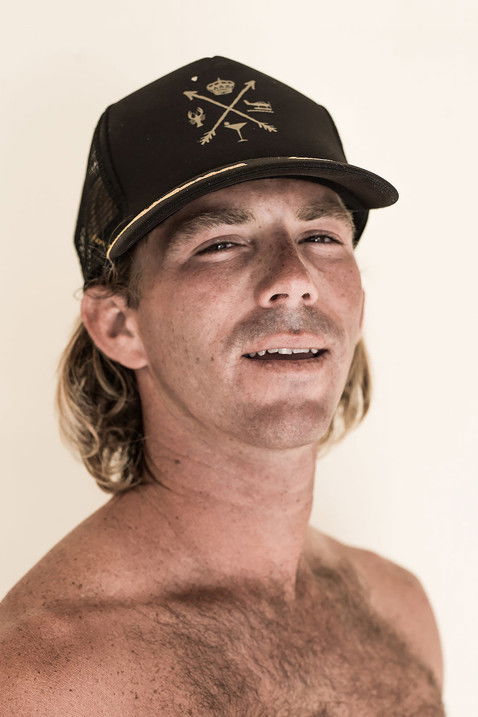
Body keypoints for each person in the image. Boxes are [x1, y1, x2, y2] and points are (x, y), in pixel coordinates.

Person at [0, 56, 445, 715]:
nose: (294, 278)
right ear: (120, 325)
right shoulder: (44, 678)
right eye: (221, 243)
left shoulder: (400, 610)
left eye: (320, 235)